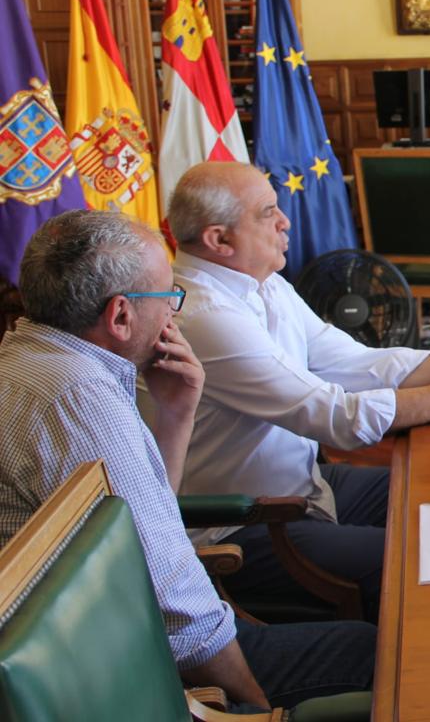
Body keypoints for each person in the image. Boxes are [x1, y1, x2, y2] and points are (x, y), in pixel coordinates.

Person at [163, 161, 430, 623]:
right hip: (245, 525)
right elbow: (336, 417)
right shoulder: (204, 315)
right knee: (428, 561)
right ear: (219, 240)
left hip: (303, 486)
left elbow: (359, 364)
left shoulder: (264, 284)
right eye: (268, 212)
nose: (286, 221)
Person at [0, 210, 375, 710]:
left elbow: (148, 517)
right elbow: (171, 597)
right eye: (169, 297)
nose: (174, 315)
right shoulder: (78, 396)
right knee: (373, 651)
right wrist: (251, 703)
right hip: (125, 667)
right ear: (120, 316)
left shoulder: (33, 358)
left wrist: (177, 412)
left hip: (104, 643)